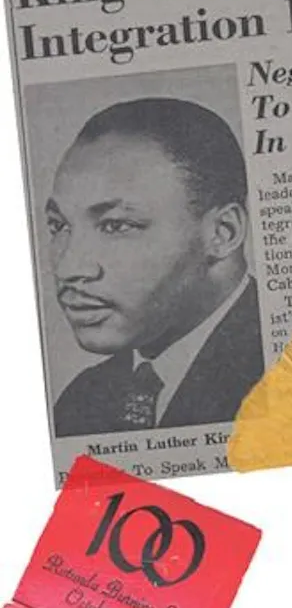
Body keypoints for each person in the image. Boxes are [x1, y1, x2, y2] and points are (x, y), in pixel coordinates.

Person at [48, 97, 264, 437]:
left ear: (224, 233)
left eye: (116, 225)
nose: (68, 268)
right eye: (59, 226)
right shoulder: (80, 402)